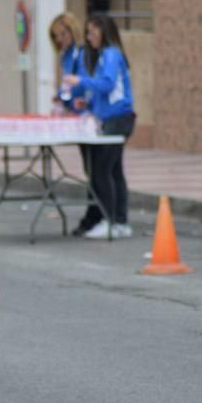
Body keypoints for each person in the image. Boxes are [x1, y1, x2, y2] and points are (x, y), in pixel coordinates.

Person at [62, 13, 136, 239]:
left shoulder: (111, 54)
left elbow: (108, 84)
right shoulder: (105, 55)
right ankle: (119, 221)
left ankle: (110, 220)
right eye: (88, 32)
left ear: (104, 32)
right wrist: (89, 102)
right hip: (114, 117)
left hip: (119, 118)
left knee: (102, 170)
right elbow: (105, 93)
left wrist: (80, 81)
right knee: (114, 170)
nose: (89, 37)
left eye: (93, 32)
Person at [49, 12, 97, 235]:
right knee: (89, 167)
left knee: (96, 168)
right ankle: (94, 214)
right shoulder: (65, 55)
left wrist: (71, 98)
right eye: (56, 36)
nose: (60, 39)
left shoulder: (82, 53)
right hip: (75, 115)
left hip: (88, 115)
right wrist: (61, 97)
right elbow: (67, 85)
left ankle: (97, 214)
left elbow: (83, 85)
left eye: (63, 34)